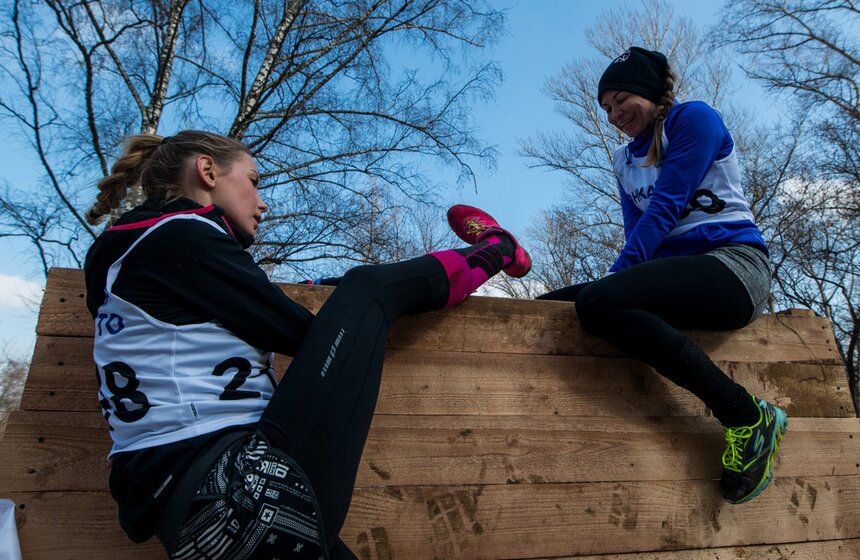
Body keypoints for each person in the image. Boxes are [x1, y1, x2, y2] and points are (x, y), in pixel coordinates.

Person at [83, 130, 531, 559]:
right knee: (368, 288)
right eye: (254, 183)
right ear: (207, 171)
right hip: (239, 487)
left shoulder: (123, 250)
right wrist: (354, 304)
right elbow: (302, 333)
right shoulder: (180, 232)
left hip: (200, 516)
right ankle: (497, 249)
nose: (263, 204)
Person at [536, 47, 787, 505]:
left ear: (649, 92)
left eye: (621, 100)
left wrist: (610, 285)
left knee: (599, 300)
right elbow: (637, 234)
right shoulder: (622, 161)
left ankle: (747, 416)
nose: (613, 114)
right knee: (548, 306)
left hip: (734, 267)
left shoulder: (694, 120)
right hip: (678, 275)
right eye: (606, 108)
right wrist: (613, 285)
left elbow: (666, 207)